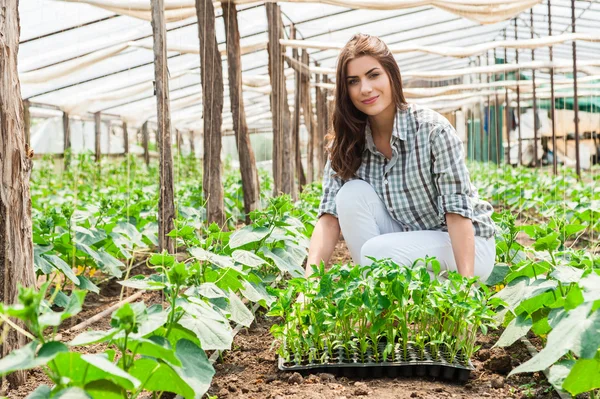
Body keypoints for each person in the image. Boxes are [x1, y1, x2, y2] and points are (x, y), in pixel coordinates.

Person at [304, 33, 497, 281]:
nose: (365, 89)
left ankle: (443, 290)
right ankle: (387, 293)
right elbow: (329, 219)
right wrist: (307, 289)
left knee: (375, 253)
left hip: (465, 246)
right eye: (353, 81)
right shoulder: (348, 142)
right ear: (346, 90)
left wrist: (466, 287)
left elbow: (457, 214)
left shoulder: (432, 131)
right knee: (350, 195)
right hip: (407, 241)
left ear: (392, 76)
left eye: (373, 75)